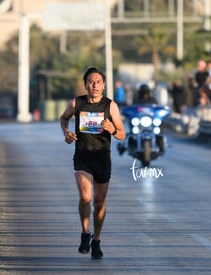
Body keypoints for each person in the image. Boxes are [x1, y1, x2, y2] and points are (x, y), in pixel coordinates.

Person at [59, 67, 125, 259]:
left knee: (99, 201)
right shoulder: (77, 103)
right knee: (86, 196)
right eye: (91, 81)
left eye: (98, 82)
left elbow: (122, 134)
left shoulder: (110, 106)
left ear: (103, 85)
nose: (94, 85)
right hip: (83, 156)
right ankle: (85, 233)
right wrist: (66, 132)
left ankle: (96, 240)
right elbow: (63, 118)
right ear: (86, 84)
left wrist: (112, 129)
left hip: (103, 158)